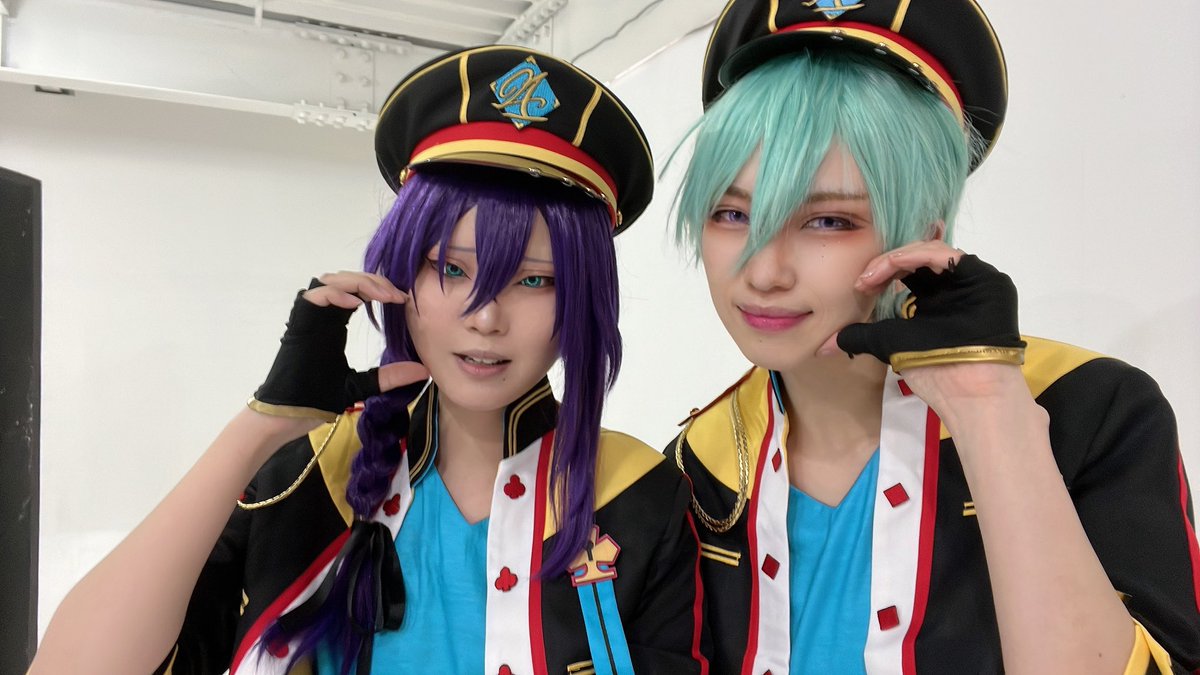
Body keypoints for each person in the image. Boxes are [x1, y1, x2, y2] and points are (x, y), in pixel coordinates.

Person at [30, 46, 708, 675]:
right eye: (450, 269)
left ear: (584, 299)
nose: (486, 317)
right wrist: (262, 427)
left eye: (535, 280)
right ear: (400, 276)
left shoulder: (638, 497)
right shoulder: (313, 473)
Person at [665, 1, 1200, 673]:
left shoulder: (1091, 410)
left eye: (829, 221)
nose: (764, 272)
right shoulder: (698, 464)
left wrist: (988, 409)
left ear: (925, 234)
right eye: (731, 213)